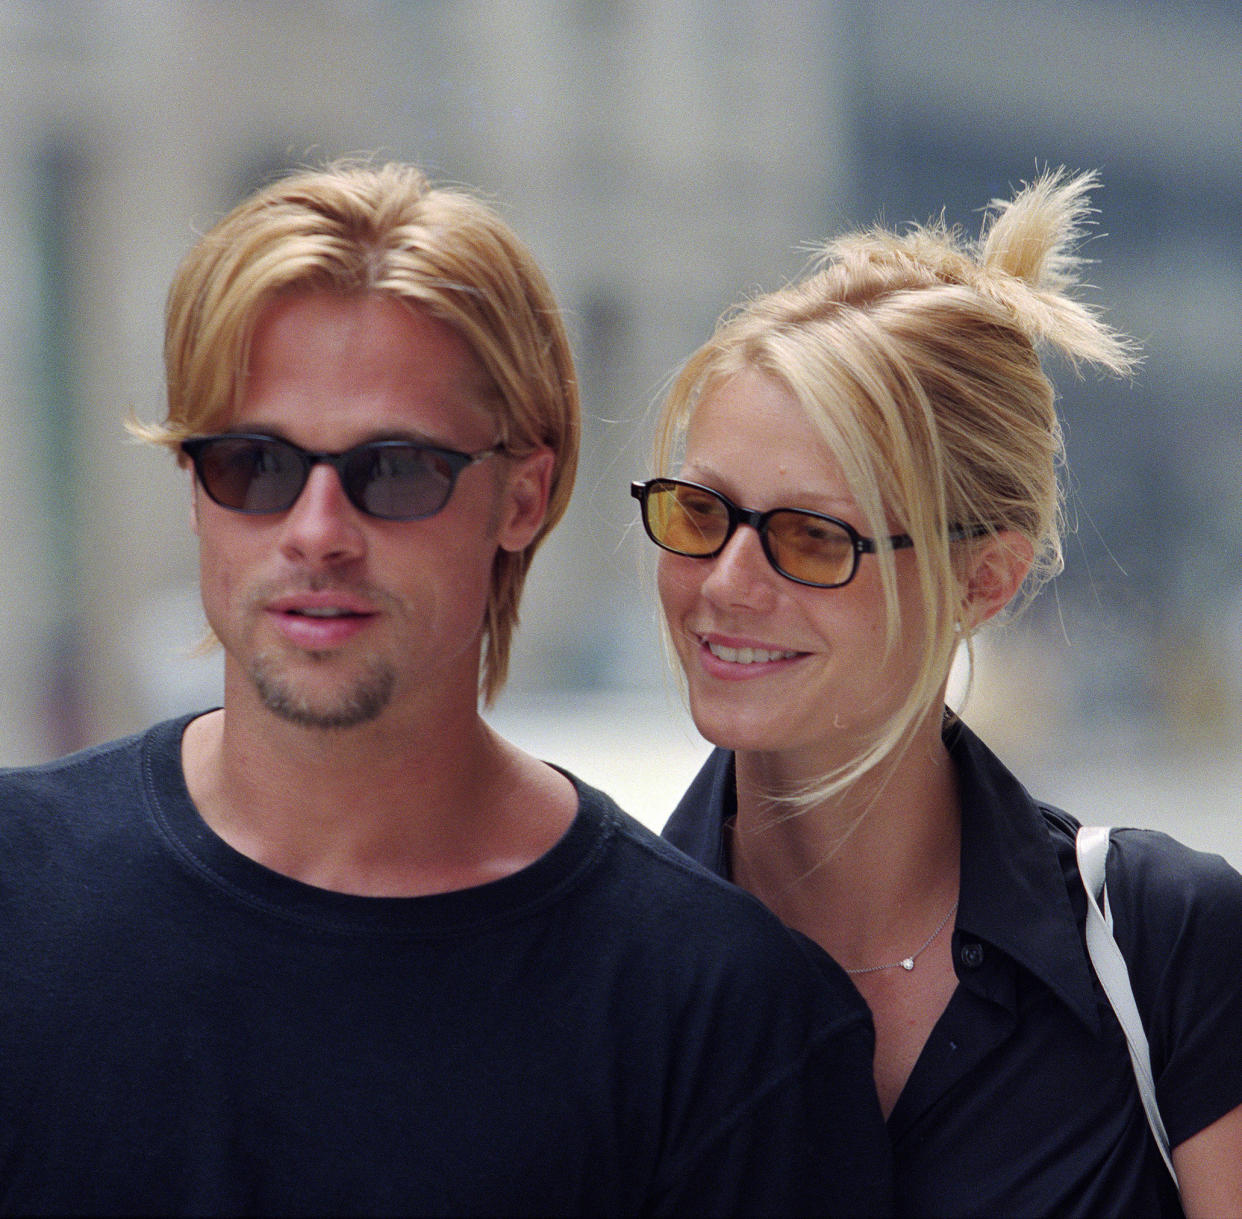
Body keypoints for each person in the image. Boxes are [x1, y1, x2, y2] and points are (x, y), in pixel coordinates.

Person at [0, 161, 894, 1216]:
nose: (317, 532)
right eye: (255, 464)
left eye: (396, 469)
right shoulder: (17, 893)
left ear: (523, 495)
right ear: (195, 485)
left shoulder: (721, 1020)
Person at [634, 169, 1242, 1217]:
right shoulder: (592, 965)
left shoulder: (1163, 944)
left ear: (985, 579)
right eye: (700, 513)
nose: (726, 584)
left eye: (812, 536)